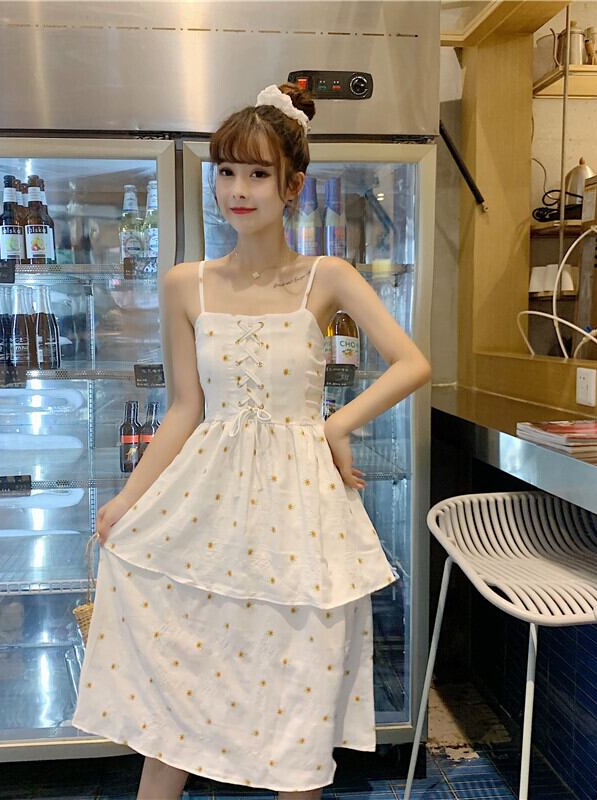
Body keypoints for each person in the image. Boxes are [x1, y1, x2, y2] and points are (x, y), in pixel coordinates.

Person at [71, 82, 431, 800]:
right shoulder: (186, 285)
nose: (238, 189)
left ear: (293, 186)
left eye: (258, 173)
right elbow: (185, 409)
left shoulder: (327, 277)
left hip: (301, 514)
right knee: (179, 689)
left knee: (299, 698)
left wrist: (333, 425)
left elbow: (412, 363)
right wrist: (128, 499)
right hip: (207, 508)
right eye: (227, 171)